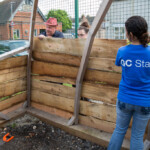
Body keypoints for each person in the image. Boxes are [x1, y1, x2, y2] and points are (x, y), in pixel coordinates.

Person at [107, 16, 150, 150]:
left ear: (130, 34)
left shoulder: (122, 51)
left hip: (124, 99)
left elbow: (119, 63)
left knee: (119, 130)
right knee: (137, 137)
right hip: (145, 101)